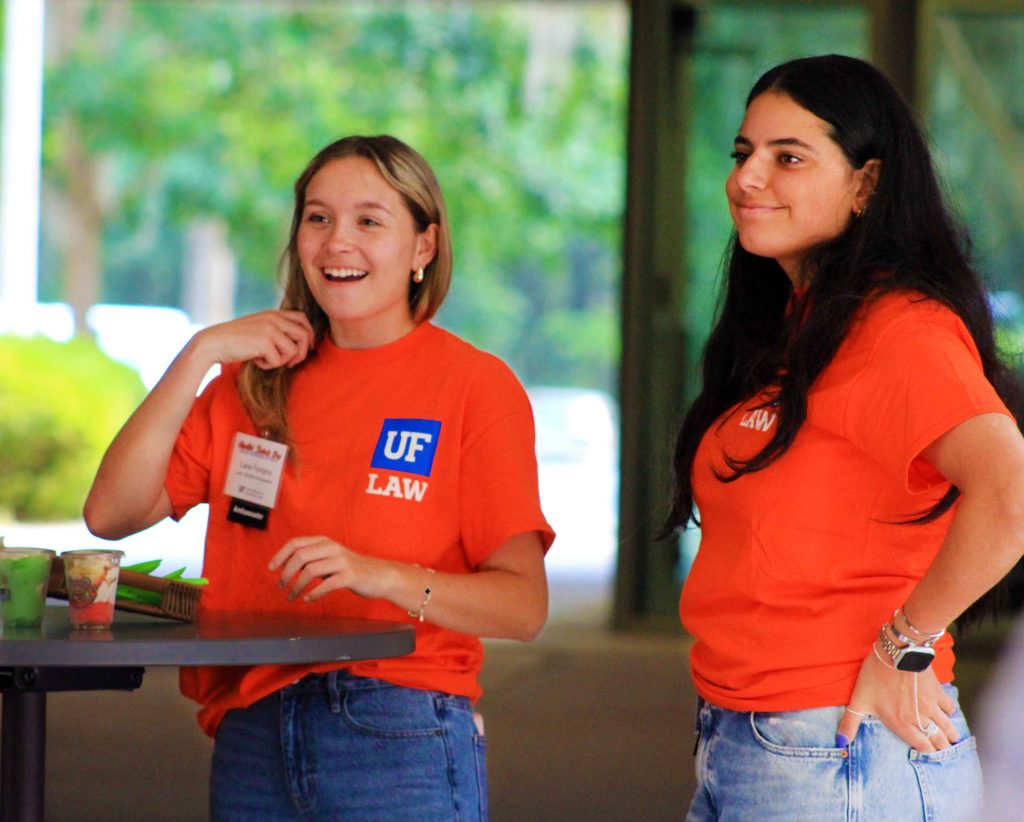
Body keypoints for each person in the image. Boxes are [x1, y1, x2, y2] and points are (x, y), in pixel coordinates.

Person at [84, 134, 554, 821]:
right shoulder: (250, 382)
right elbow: (110, 514)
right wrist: (200, 354)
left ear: (423, 247)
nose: (338, 242)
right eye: (318, 217)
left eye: (369, 220)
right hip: (252, 726)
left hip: (396, 726)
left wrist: (378, 575)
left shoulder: (473, 387)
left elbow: (523, 606)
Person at [663, 54, 1024, 821]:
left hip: (843, 751)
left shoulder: (899, 328)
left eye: (787, 157)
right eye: (742, 153)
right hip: (752, 740)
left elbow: (1013, 492)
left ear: (866, 184)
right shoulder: (790, 329)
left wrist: (907, 645)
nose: (747, 179)